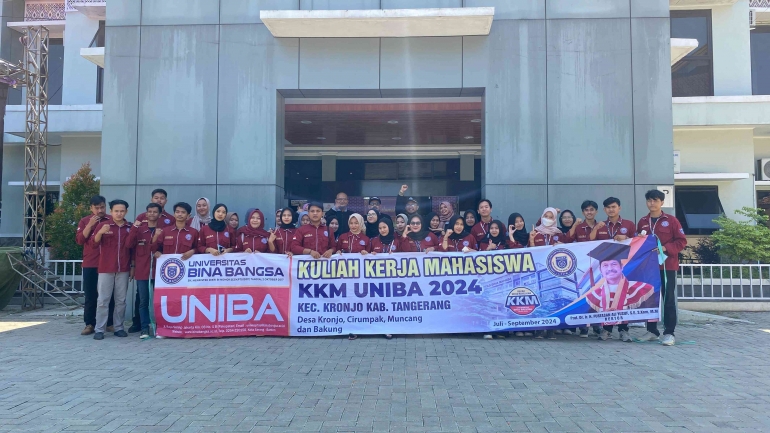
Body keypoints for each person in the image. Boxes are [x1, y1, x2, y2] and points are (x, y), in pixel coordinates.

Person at [636, 189, 688, 346]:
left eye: (655, 200)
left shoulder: (671, 221)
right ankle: (652, 331)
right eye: (649, 200)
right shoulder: (643, 221)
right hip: (648, 268)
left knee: (668, 299)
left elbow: (682, 241)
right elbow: (637, 243)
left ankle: (669, 332)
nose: (652, 203)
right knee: (649, 299)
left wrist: (665, 248)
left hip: (667, 266)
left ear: (662, 202)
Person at [585, 243, 656, 343]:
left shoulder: (639, 288)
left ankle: (623, 330)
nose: (610, 269)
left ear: (621, 266)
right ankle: (606, 330)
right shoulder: (594, 294)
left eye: (614, 264)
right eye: (605, 265)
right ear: (600, 269)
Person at [90, 199, 133, 341]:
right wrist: (100, 233)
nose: (119, 213)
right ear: (111, 211)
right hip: (106, 268)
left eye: (122, 211)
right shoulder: (103, 225)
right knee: (103, 300)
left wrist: (132, 267)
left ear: (126, 211)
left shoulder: (130, 227)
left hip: (123, 268)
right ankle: (99, 329)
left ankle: (119, 327)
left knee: (121, 300)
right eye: (116, 211)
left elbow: (133, 249)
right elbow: (93, 244)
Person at [76, 195, 114, 336]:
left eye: (102, 207)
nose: (100, 210)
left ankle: (109, 323)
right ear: (91, 208)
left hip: (108, 263)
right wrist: (90, 225)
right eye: (96, 208)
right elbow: (80, 240)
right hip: (91, 263)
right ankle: (90, 324)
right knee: (91, 295)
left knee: (110, 295)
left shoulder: (112, 220)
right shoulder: (85, 221)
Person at [126, 203, 161, 339]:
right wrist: (134, 227)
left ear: (159, 214)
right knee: (143, 301)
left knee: (159, 301)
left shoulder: (163, 230)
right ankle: (144, 328)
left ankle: (160, 327)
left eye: (155, 212)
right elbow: (129, 244)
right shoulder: (139, 230)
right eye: (149, 211)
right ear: (146, 214)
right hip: (142, 271)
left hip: (159, 272)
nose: (152, 214)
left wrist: (156, 237)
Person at [567, 200, 600, 337]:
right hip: (583, 268)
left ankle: (597, 325)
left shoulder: (602, 226)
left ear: (596, 211)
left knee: (598, 295)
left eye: (592, 209)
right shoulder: (579, 227)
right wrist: (575, 225)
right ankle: (583, 327)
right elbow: (568, 240)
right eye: (586, 210)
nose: (589, 212)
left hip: (598, 268)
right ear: (582, 212)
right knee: (583, 295)